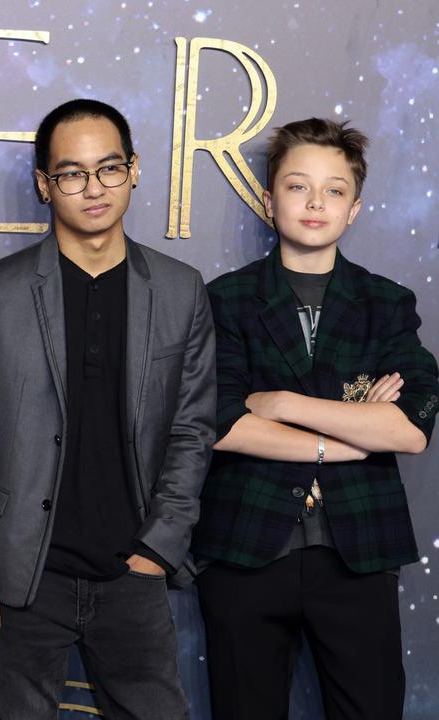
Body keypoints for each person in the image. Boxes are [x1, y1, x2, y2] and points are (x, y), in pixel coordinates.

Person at [0, 98, 215, 719]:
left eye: (109, 168)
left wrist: (158, 549)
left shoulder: (179, 289)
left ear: (135, 171)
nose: (93, 188)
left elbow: (192, 429)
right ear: (45, 185)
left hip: (134, 571)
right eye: (71, 173)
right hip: (22, 578)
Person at [192, 118, 439, 720]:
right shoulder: (224, 299)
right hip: (247, 549)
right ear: (270, 196)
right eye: (298, 186)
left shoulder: (387, 303)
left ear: (353, 209)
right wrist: (351, 434)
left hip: (360, 549)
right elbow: (222, 423)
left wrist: (282, 404)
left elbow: (408, 428)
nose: (315, 203)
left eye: (334, 190)